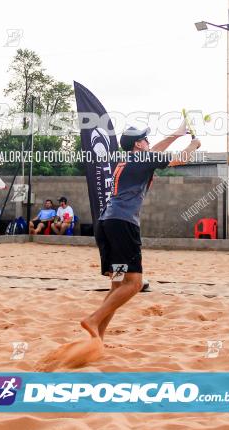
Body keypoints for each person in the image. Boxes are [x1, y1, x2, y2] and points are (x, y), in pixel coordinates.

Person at [83, 121, 200, 342]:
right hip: (123, 225)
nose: (149, 142)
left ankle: (97, 337)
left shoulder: (130, 159)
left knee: (117, 285)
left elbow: (155, 151)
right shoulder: (143, 158)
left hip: (107, 225)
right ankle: (92, 320)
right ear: (138, 144)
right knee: (135, 283)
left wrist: (176, 134)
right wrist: (194, 143)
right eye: (145, 139)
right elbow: (181, 159)